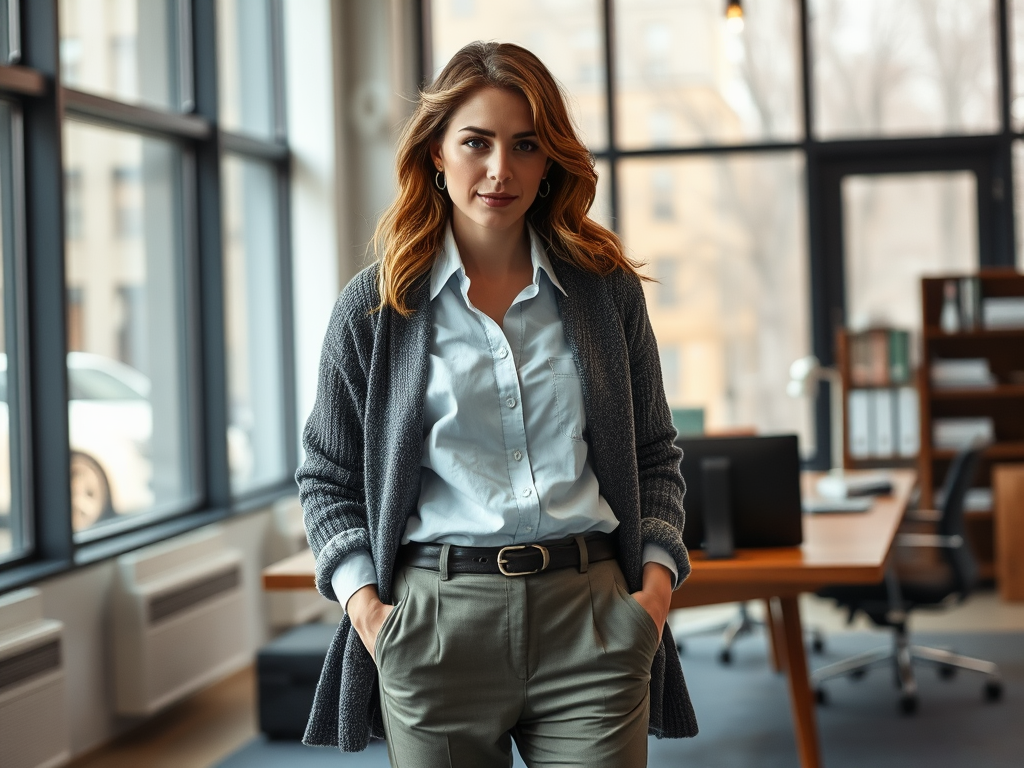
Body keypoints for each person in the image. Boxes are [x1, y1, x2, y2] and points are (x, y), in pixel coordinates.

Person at [297, 40, 697, 767]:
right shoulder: (373, 309)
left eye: (526, 145)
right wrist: (369, 613)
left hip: (594, 621)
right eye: (476, 142)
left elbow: (653, 453)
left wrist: (655, 592)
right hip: (435, 626)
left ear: (551, 164)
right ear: (436, 154)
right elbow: (327, 477)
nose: (499, 170)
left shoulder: (605, 294)